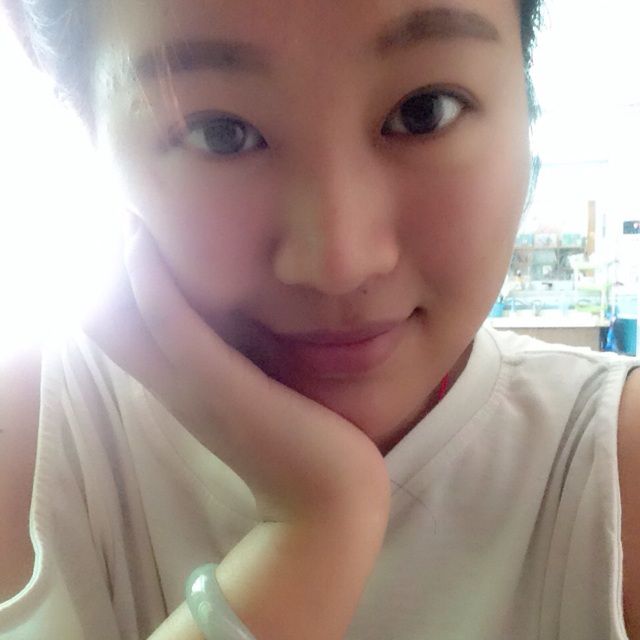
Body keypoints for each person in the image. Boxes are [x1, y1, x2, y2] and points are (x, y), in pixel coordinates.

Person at [0, 0, 638, 638]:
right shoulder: (34, 443)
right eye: (220, 133)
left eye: (424, 112)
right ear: (85, 127)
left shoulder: (613, 471)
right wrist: (316, 527)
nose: (340, 263)